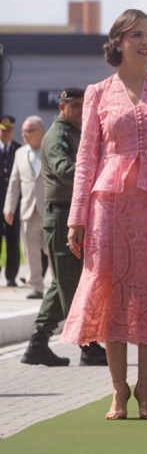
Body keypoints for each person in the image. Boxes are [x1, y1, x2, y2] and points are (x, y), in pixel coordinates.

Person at [61, 9, 147, 421]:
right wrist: (76, 217)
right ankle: (119, 392)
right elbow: (86, 159)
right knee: (113, 296)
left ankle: (146, 391)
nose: (144, 42)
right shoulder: (98, 93)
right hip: (110, 205)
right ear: (117, 42)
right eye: (134, 35)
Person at [21, 89, 105, 368]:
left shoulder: (74, 133)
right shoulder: (57, 136)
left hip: (74, 215)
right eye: (76, 106)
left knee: (65, 282)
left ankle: (38, 343)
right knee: (70, 283)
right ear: (62, 107)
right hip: (61, 216)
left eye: (85, 106)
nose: (82, 111)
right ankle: (88, 345)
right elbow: (65, 169)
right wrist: (97, 174)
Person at [4, 116, 47, 298]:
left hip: (49, 210)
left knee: (52, 251)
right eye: (23, 131)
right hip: (28, 210)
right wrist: (9, 207)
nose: (25, 134)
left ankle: (57, 286)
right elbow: (14, 182)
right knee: (30, 250)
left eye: (29, 130)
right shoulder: (20, 153)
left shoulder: (50, 150)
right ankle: (36, 287)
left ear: (41, 132)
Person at [0, 114, 21, 288]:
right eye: (2, 130)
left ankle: (11, 275)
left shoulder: (18, 149)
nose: (5, 134)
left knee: (13, 240)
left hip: (14, 204)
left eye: (8, 131)